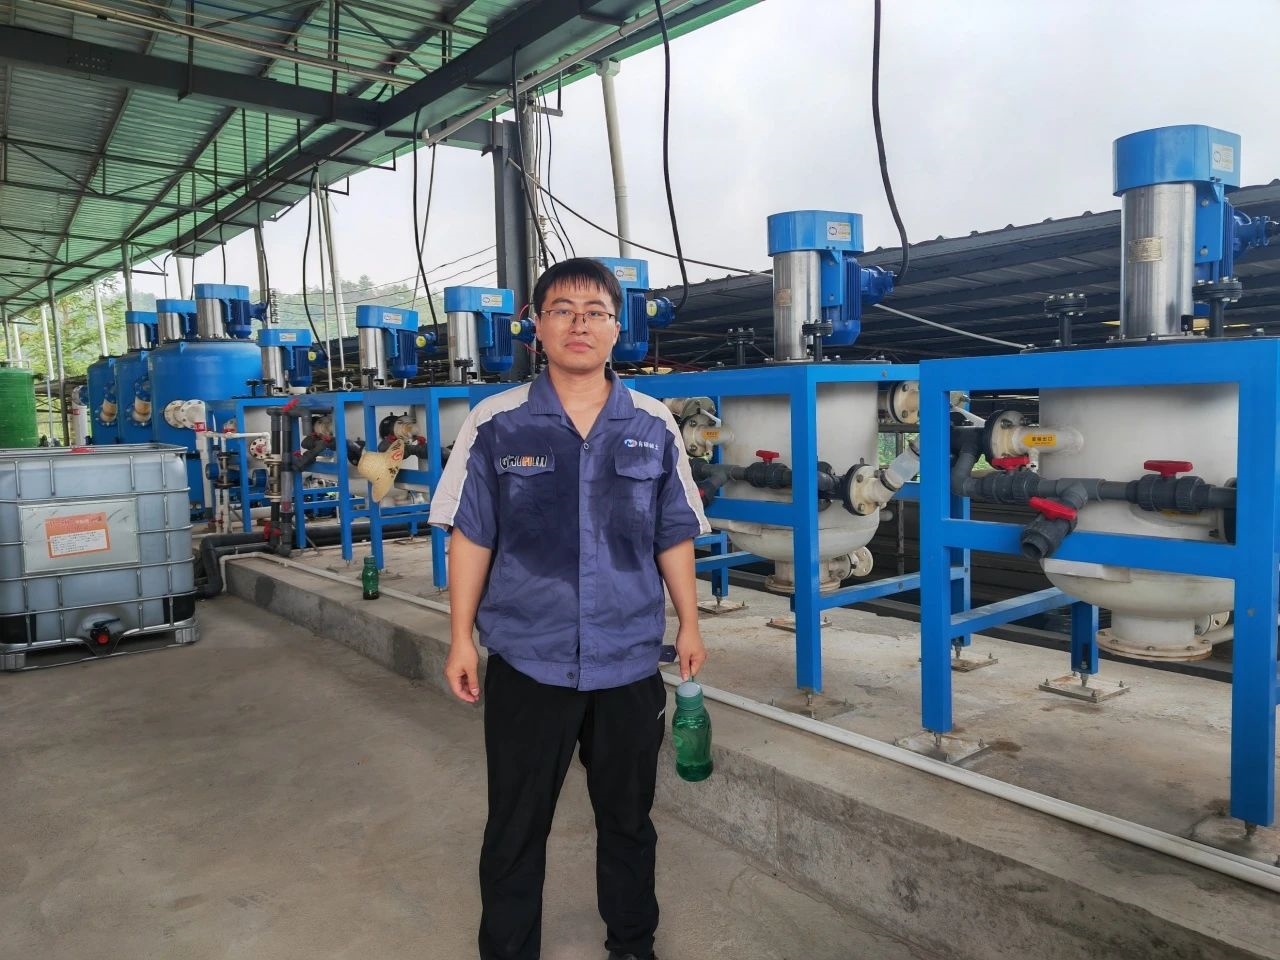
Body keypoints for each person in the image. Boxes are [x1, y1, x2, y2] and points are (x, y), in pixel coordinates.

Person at [428, 257, 711, 960]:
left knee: (629, 821)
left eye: (595, 312)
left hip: (628, 660)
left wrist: (690, 622)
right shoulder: (496, 422)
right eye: (562, 310)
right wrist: (461, 638)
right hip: (530, 659)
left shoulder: (652, 423)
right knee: (515, 826)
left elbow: (672, 532)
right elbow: (471, 536)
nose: (579, 324)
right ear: (536, 327)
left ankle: (633, 946)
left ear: (618, 328)